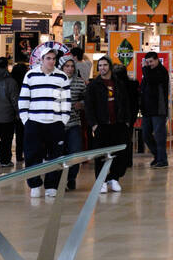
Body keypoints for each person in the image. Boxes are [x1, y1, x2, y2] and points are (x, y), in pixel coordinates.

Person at [18, 49, 71, 198]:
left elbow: (66, 101)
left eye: (54, 58)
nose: (51, 61)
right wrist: (26, 120)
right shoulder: (30, 75)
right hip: (34, 122)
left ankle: (51, 185)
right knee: (32, 155)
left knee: (55, 156)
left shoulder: (62, 77)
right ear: (41, 59)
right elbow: (24, 99)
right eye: (48, 58)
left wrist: (63, 120)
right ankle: (34, 184)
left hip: (55, 123)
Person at [86, 57, 134, 193]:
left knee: (121, 154)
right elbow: (89, 106)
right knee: (101, 155)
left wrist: (126, 121)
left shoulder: (119, 83)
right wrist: (94, 125)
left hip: (118, 125)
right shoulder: (93, 85)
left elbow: (126, 103)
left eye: (105, 65)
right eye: (100, 65)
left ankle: (114, 178)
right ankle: (101, 181)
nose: (102, 68)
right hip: (102, 125)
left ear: (110, 67)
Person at [58, 53, 87, 191]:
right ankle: (58, 180)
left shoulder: (80, 82)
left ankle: (71, 178)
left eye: (71, 66)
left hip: (74, 123)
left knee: (75, 152)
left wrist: (81, 104)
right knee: (58, 153)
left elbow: (87, 99)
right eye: (66, 66)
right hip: (57, 124)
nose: (69, 69)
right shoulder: (55, 81)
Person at [139, 52, 170, 168]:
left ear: (157, 60)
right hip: (147, 110)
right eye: (147, 62)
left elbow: (152, 80)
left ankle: (162, 160)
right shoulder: (148, 72)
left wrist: (145, 68)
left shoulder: (161, 72)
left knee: (159, 136)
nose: (149, 64)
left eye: (151, 62)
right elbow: (143, 87)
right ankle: (157, 155)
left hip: (158, 109)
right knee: (145, 135)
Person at [10, 60, 29, 164]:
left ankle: (18, 155)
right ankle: (26, 154)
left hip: (14, 113)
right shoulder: (26, 81)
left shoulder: (11, 82)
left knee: (19, 136)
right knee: (26, 135)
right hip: (25, 112)